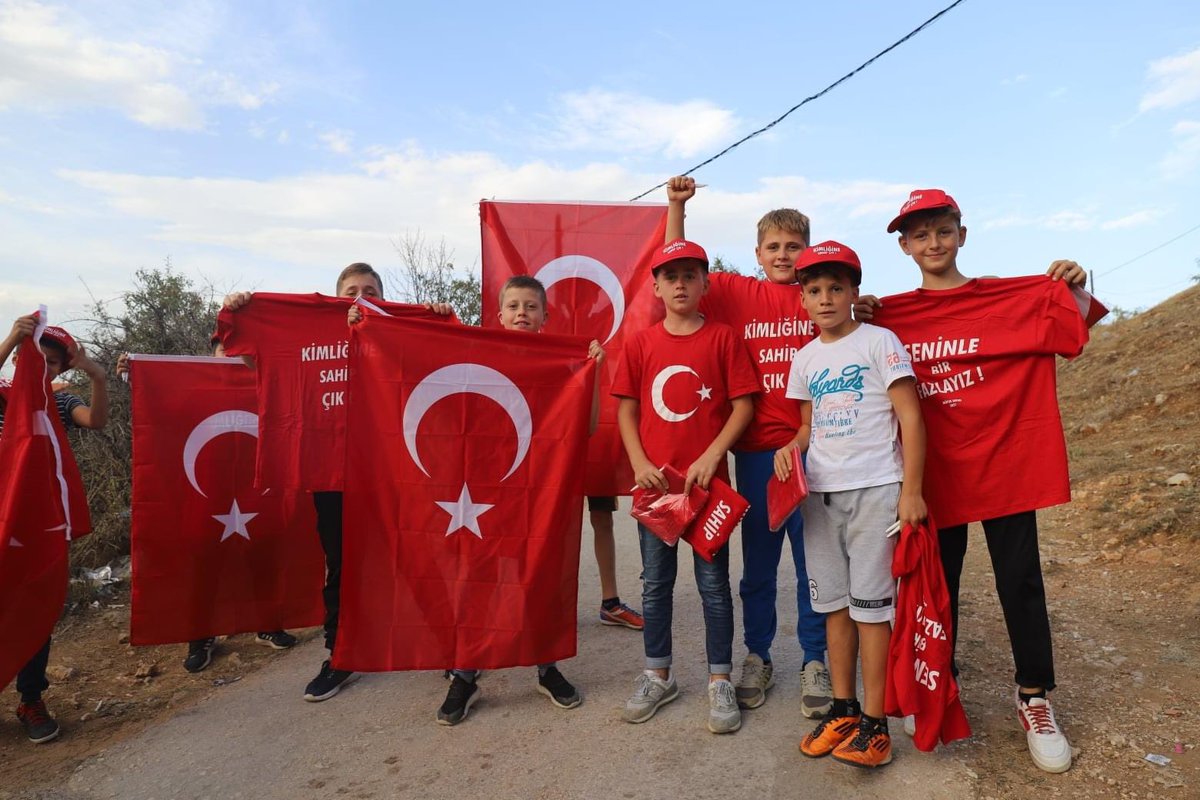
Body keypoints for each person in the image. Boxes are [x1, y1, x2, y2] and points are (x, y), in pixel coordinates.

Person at [859, 189, 1093, 774]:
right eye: (920, 234)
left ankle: (1034, 696)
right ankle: (939, 682)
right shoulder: (888, 315)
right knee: (938, 588)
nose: (933, 243)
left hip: (1006, 465)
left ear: (962, 234)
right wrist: (863, 315)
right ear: (905, 246)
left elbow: (1077, 332)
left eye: (943, 230)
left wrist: (1075, 285)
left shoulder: (1013, 297)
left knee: (1021, 581)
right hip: (934, 475)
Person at [223, 263, 452, 702]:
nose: (360, 297)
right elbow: (259, 358)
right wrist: (243, 312)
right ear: (337, 295)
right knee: (342, 565)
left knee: (419, 554)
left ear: (383, 297)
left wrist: (436, 318)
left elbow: (443, 359)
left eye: (370, 291)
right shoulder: (307, 329)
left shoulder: (400, 329)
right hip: (332, 470)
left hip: (395, 468)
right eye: (351, 291)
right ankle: (340, 652)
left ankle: (444, 644)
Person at [665, 176, 829, 715]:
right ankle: (758, 655)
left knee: (815, 566)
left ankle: (816, 660)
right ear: (757, 254)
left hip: (816, 452)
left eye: (794, 246)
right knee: (758, 565)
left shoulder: (820, 296)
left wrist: (865, 304)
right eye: (774, 247)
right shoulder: (738, 292)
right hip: (758, 454)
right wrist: (677, 208)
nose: (784, 255)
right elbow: (677, 263)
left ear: (808, 250)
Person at [774, 241, 926, 769]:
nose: (825, 298)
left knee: (871, 611)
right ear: (802, 301)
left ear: (854, 292)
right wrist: (789, 449)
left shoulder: (879, 341)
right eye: (813, 290)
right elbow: (806, 427)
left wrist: (911, 490)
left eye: (836, 288)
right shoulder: (805, 358)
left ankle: (876, 725)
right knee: (833, 607)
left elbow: (910, 416)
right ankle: (844, 709)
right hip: (819, 496)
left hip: (875, 491)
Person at [430, 275, 604, 724]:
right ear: (499, 314)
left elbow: (585, 428)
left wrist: (593, 371)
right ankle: (465, 675)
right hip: (481, 499)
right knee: (479, 580)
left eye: (531, 306)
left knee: (539, 576)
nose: (521, 313)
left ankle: (547, 667)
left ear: (546, 316)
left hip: (539, 495)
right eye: (513, 306)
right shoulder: (474, 357)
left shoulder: (562, 365)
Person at [611, 239, 759, 734]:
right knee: (656, 585)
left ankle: (720, 678)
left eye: (690, 275)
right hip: (656, 489)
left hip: (707, 490)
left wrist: (713, 454)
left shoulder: (722, 338)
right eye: (670, 276)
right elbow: (626, 408)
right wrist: (637, 461)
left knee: (714, 587)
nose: (680, 283)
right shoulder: (641, 343)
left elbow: (743, 406)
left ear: (704, 284)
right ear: (656, 286)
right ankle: (658, 673)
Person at [115, 342, 299, 674]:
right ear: (210, 356)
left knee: (263, 559)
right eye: (223, 354)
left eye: (238, 354)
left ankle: (268, 624)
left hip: (257, 492)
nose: (230, 361)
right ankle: (200, 635)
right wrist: (137, 378)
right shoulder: (195, 390)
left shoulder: (263, 386)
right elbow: (164, 413)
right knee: (204, 569)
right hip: (206, 497)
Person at [1, 314, 108, 744]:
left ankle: (31, 699)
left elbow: (95, 421)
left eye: (51, 362)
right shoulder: (3, 396)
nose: (41, 367)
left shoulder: (60, 402)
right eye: (35, 358)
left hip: (41, 523)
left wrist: (96, 374)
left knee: (35, 606)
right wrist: (12, 338)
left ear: (61, 368)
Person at [588, 496, 643, 630]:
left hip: (595, 475)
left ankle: (610, 604)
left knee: (602, 516)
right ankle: (554, 608)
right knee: (558, 521)